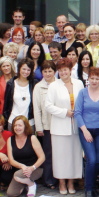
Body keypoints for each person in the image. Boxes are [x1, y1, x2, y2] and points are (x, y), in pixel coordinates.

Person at [44, 58, 84, 195]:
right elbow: (48, 106)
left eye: (65, 70)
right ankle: (61, 183)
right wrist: (64, 112)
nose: (63, 73)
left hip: (76, 126)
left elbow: (83, 101)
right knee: (60, 157)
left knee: (74, 156)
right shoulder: (53, 86)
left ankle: (71, 182)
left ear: (70, 70)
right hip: (60, 127)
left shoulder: (79, 83)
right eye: (60, 70)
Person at [74, 67, 99, 197]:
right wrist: (85, 131)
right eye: (92, 78)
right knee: (91, 159)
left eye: (97, 79)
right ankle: (88, 189)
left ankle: (93, 187)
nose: (94, 81)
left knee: (97, 160)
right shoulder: (82, 93)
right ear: (88, 79)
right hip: (86, 130)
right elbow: (77, 113)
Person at [32, 60, 58, 189]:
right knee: (48, 154)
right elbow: (36, 109)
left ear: (55, 72)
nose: (48, 74)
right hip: (46, 125)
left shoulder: (59, 84)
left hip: (59, 125)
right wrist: (39, 127)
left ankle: (59, 178)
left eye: (50, 71)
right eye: (45, 71)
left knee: (58, 153)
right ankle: (48, 180)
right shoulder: (38, 87)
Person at [6, 116, 46, 197]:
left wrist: (32, 168)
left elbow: (42, 157)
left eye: (20, 125)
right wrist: (22, 166)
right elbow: (11, 160)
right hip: (20, 170)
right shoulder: (10, 139)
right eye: (15, 125)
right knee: (11, 194)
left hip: (35, 169)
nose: (17, 128)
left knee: (17, 175)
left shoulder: (32, 138)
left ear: (25, 126)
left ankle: (31, 184)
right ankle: (28, 183)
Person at [3, 59, 35, 128]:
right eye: (24, 69)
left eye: (28, 70)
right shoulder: (11, 83)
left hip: (29, 122)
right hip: (13, 121)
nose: (26, 72)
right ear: (19, 69)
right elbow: (6, 104)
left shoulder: (34, 83)